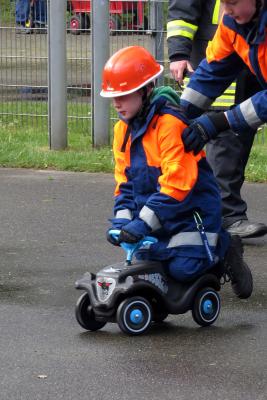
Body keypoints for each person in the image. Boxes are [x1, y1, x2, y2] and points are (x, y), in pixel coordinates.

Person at [100, 45, 253, 299]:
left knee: (182, 270)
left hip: (191, 214)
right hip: (158, 218)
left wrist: (141, 223)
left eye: (124, 95)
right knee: (147, 268)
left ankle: (225, 248)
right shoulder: (122, 132)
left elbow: (177, 185)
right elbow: (124, 184)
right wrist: (123, 223)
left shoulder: (170, 125)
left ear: (146, 90)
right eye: (113, 97)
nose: (117, 103)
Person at [167, 0, 267, 239]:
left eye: (232, 2)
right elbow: (214, 69)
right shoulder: (233, 23)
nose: (226, 9)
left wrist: (220, 122)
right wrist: (179, 114)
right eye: (223, 2)